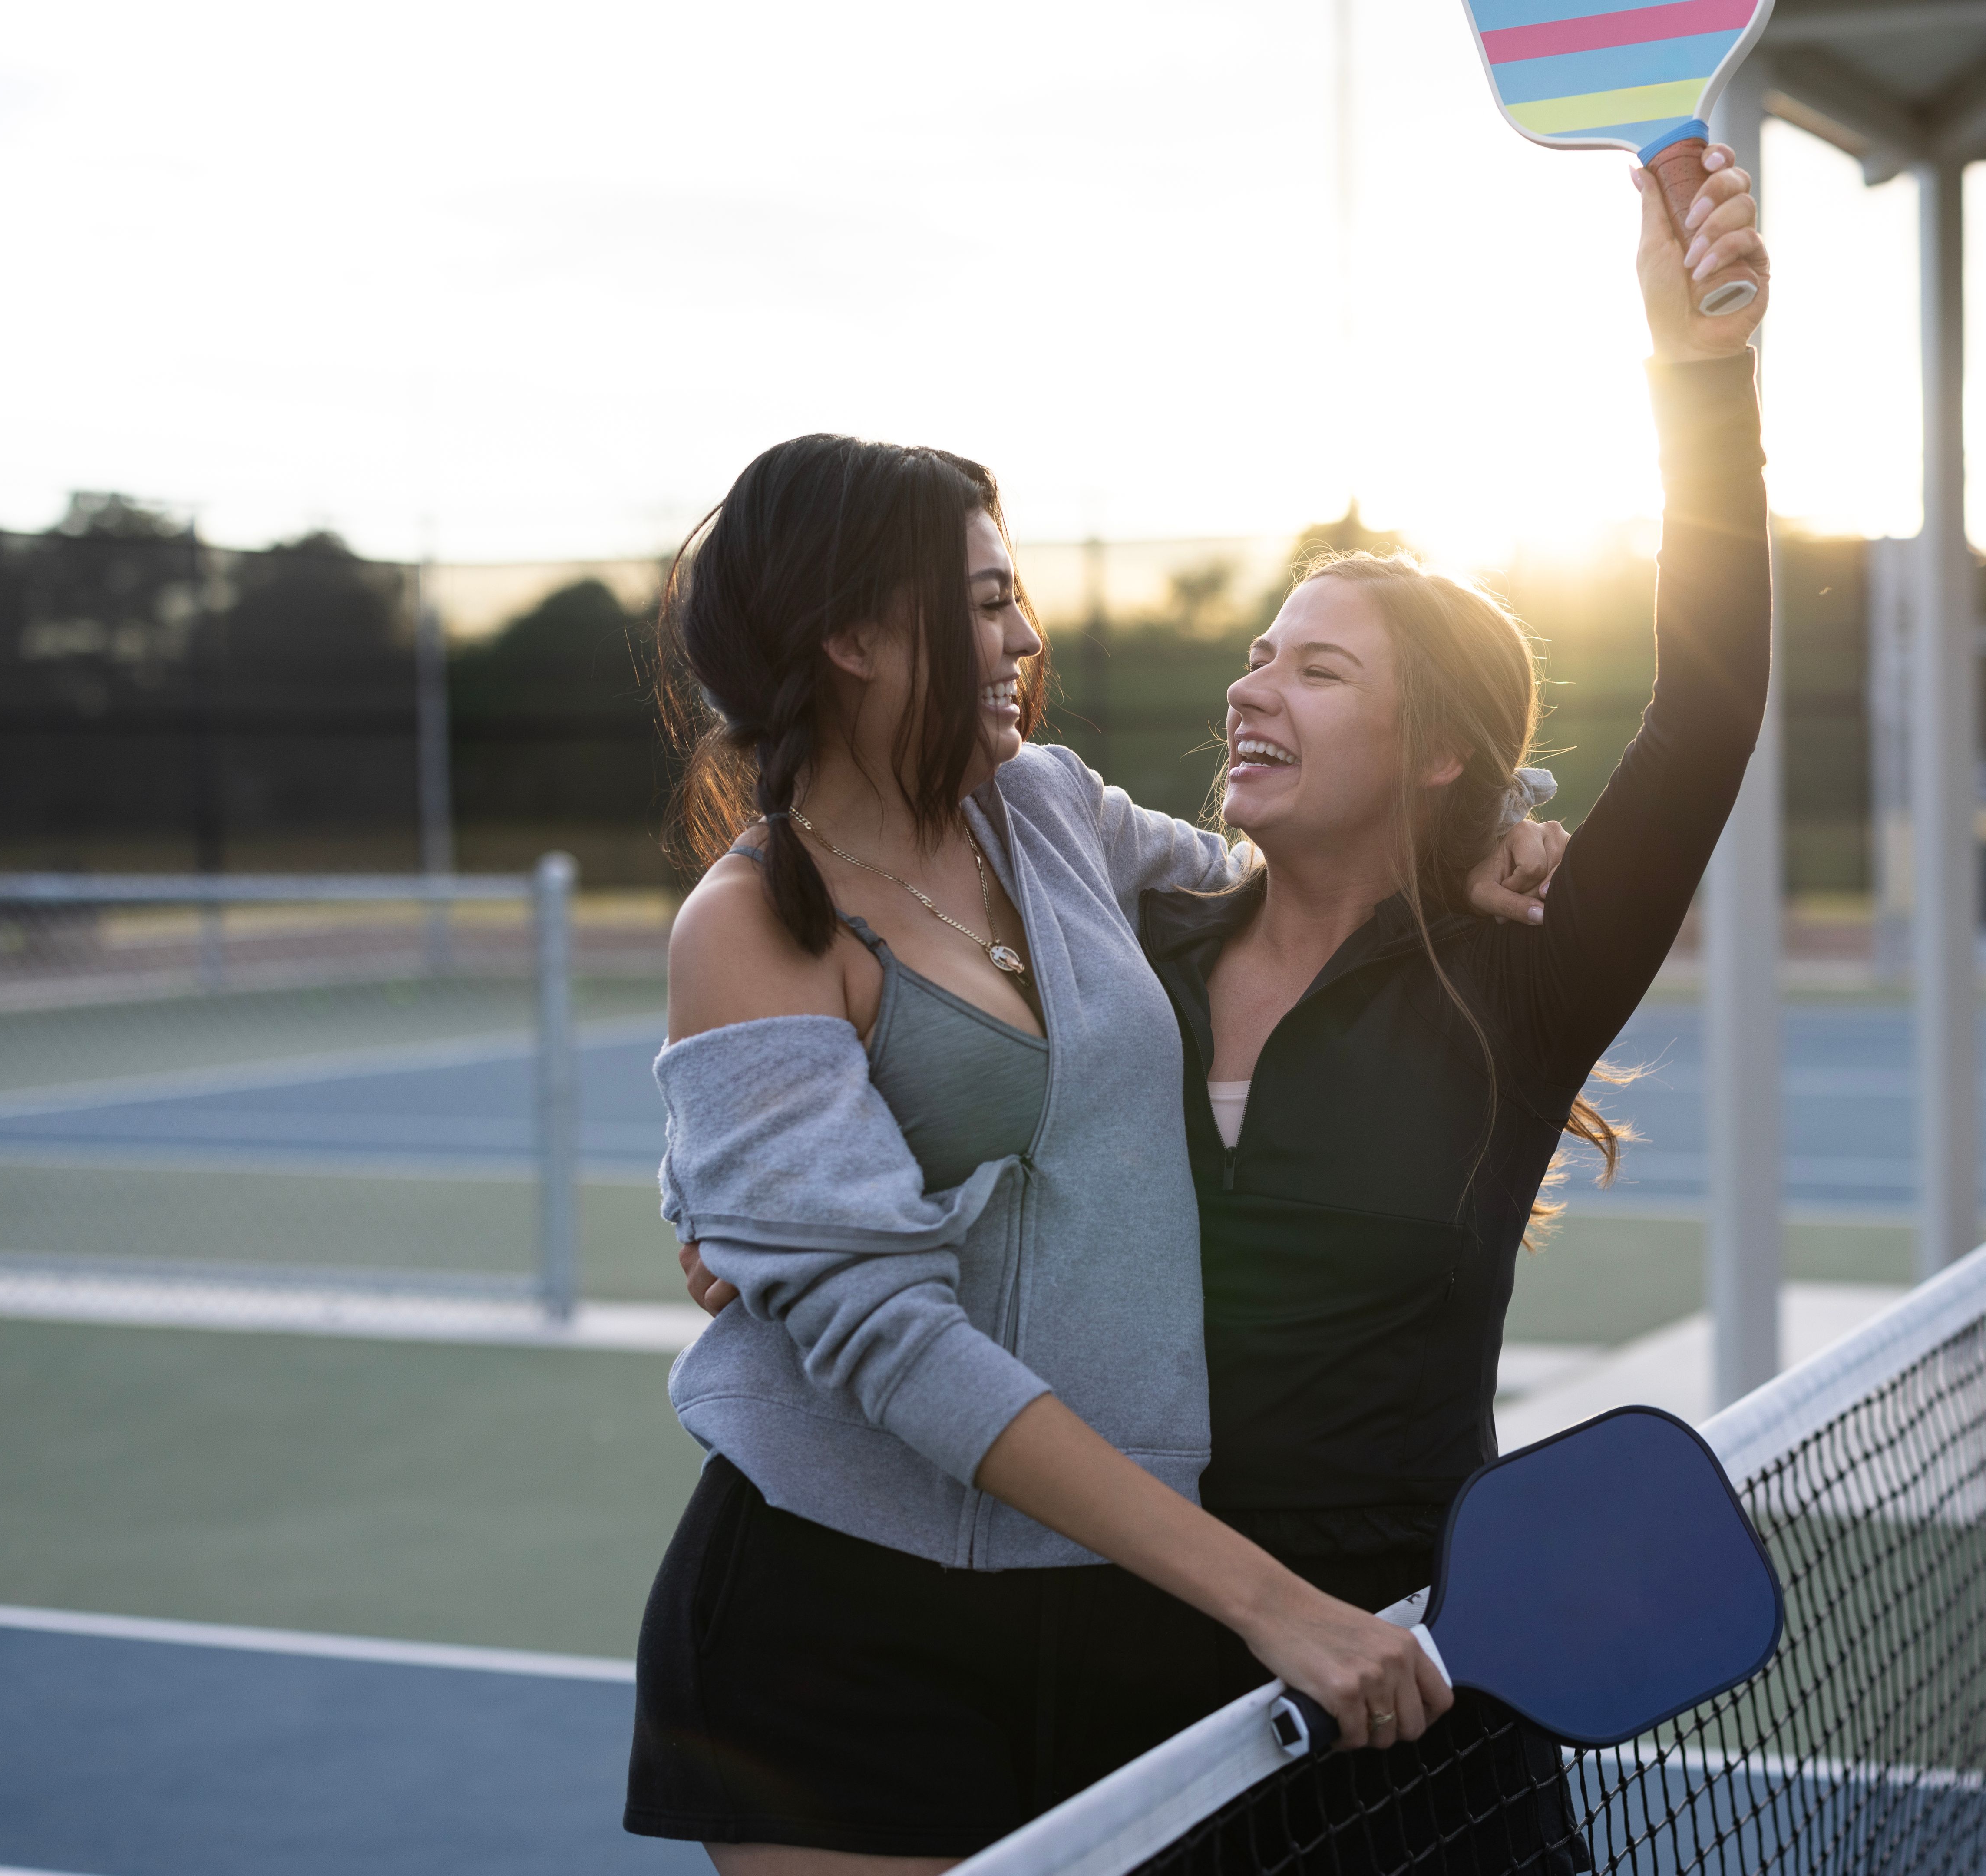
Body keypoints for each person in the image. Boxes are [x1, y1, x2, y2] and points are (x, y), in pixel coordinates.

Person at [624, 431, 1566, 1873]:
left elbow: (1286, 884)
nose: (1024, 636)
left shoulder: (1050, 811)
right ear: (856, 637)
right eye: (987, 600)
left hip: (1095, 1624)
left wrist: (1492, 822)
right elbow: (890, 1339)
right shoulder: (751, 924)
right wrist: (1268, 1601)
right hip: (838, 1625)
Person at [1131, 142, 1768, 1865]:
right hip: (1137, 1703)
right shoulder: (1142, 957)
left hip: (1423, 1698)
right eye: (1260, 652)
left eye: (1316, 666)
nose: (1254, 684)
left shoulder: (1517, 991)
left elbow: (1703, 713)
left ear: (1434, 756)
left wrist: (1699, 381)